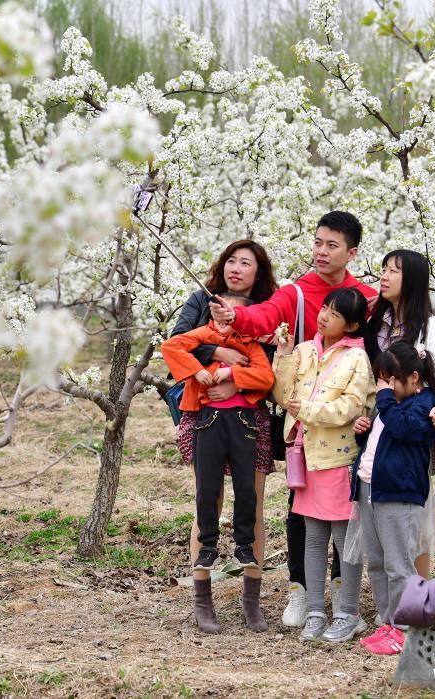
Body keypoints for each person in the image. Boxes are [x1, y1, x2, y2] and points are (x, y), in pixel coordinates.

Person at [210, 211, 377, 627]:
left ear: (352, 252)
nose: (321, 251)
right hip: (302, 423)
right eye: (318, 242)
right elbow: (266, 316)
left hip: (347, 420)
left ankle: (343, 596)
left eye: (332, 245)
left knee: (347, 509)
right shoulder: (298, 293)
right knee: (301, 506)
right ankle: (301, 591)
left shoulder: (368, 299)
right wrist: (237, 318)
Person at [169, 239, 278, 634]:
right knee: (207, 501)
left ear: (258, 272)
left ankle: (252, 599)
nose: (235, 268)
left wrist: (236, 380)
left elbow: (268, 369)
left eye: (245, 263)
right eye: (231, 260)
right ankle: (203, 598)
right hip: (205, 414)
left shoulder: (266, 309)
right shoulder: (202, 300)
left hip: (248, 416)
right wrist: (217, 354)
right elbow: (177, 344)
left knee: (253, 502)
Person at [270, 287, 375, 643]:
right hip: (306, 456)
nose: (325, 315)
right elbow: (283, 396)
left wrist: (310, 411)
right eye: (325, 308)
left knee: (345, 539)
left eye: (335, 313)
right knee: (313, 537)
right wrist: (283, 356)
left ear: (353, 325)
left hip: (339, 458)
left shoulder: (356, 359)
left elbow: (351, 406)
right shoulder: (303, 351)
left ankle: (348, 613)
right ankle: (316, 610)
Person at [362, 249, 435, 579]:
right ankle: (396, 599)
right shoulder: (376, 321)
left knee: (414, 514)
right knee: (377, 504)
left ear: (413, 279)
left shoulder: (429, 325)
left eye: (394, 271)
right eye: (384, 269)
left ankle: (417, 596)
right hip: (378, 419)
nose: (384, 276)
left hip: (413, 419)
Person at [351, 342, 435, 655]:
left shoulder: (424, 403)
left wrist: (385, 399)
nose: (383, 387)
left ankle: (404, 630)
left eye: (390, 380)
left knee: (400, 565)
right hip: (370, 487)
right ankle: (388, 622)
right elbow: (382, 441)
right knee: (376, 563)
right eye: (381, 380)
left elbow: (405, 430)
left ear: (414, 378)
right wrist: (363, 430)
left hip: (399, 493)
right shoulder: (390, 402)